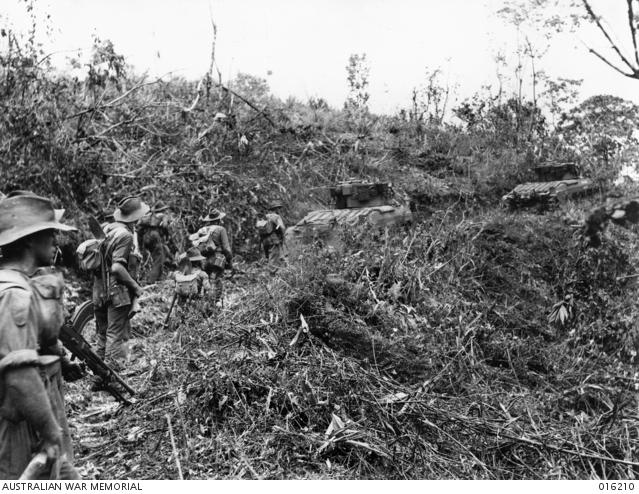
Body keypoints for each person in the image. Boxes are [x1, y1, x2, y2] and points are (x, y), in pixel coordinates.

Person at [0, 193, 81, 479]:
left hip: (31, 419)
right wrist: (49, 430)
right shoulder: (13, 293)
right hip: (20, 427)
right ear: (29, 240)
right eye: (49, 233)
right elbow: (19, 375)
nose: (55, 241)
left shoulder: (22, 285)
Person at [93, 196, 148, 376]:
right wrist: (135, 287)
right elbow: (117, 267)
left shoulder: (107, 229)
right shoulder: (126, 235)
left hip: (99, 290)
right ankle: (114, 379)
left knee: (102, 335)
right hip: (117, 293)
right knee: (117, 336)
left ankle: (98, 378)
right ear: (136, 217)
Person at [191, 209, 233, 306]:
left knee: (205, 281)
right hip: (217, 259)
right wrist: (230, 261)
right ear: (218, 220)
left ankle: (202, 303)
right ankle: (214, 304)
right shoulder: (221, 229)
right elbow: (226, 248)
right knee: (216, 280)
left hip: (202, 260)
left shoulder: (202, 230)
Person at [137, 201, 173, 284]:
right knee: (159, 259)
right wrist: (167, 236)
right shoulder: (163, 216)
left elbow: (139, 227)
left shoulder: (149, 216)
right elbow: (165, 226)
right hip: (155, 236)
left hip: (146, 236)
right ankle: (151, 280)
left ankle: (150, 277)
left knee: (148, 258)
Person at [258, 201, 286, 271]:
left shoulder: (264, 217)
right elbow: (282, 228)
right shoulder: (276, 217)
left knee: (268, 258)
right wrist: (282, 237)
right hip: (273, 240)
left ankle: (268, 273)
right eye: (278, 208)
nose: (279, 210)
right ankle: (272, 276)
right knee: (274, 259)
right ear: (276, 209)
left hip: (265, 241)